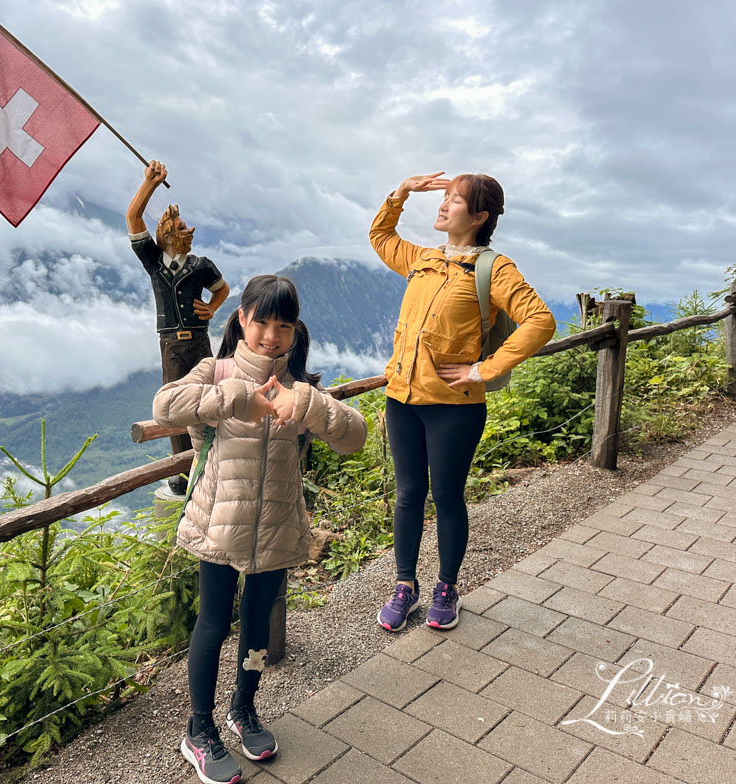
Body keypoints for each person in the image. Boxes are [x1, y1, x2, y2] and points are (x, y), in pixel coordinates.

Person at [154, 275, 367, 784]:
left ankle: (243, 708)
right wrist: (232, 398)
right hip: (219, 526)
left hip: (277, 527)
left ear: (295, 330)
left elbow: (354, 437)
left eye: (283, 326)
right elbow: (164, 406)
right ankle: (199, 729)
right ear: (242, 319)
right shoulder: (218, 371)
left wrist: (310, 406)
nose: (271, 336)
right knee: (212, 625)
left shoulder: (301, 387)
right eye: (262, 322)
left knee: (256, 626)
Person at [369, 172, 555, 632]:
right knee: (408, 495)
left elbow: (540, 321)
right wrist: (401, 193)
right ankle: (404, 585)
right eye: (446, 197)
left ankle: (447, 588)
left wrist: (482, 370)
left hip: (454, 408)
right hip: (401, 398)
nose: (444, 204)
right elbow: (381, 237)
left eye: (455, 200)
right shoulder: (423, 259)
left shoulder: (495, 269)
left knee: (448, 497)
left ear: (479, 216)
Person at [127, 160, 231, 495]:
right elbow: (133, 217)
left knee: (208, 398)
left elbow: (223, 289)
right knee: (173, 404)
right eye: (181, 227)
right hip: (171, 345)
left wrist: (211, 309)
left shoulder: (201, 265)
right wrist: (150, 184)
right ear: (167, 234)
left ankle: (213, 457)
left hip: (199, 341)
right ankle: (183, 469)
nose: (189, 231)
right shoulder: (153, 261)